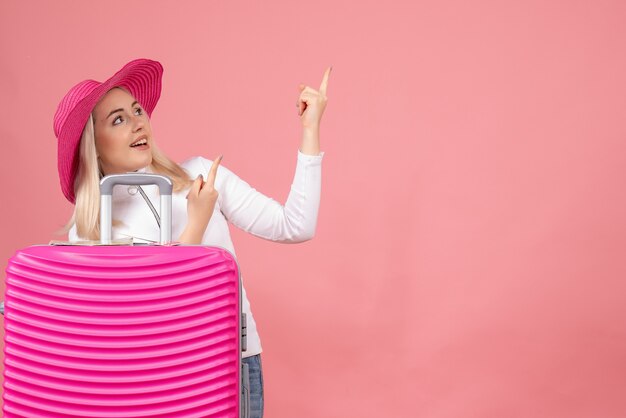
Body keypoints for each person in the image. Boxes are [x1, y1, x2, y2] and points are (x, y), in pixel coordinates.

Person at [53, 58, 330, 418]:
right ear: (93, 145)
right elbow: (141, 321)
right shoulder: (91, 231)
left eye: (137, 110)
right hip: (145, 379)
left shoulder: (199, 176)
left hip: (227, 363)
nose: (138, 122)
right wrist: (194, 227)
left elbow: (296, 225)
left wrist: (310, 129)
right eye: (118, 119)